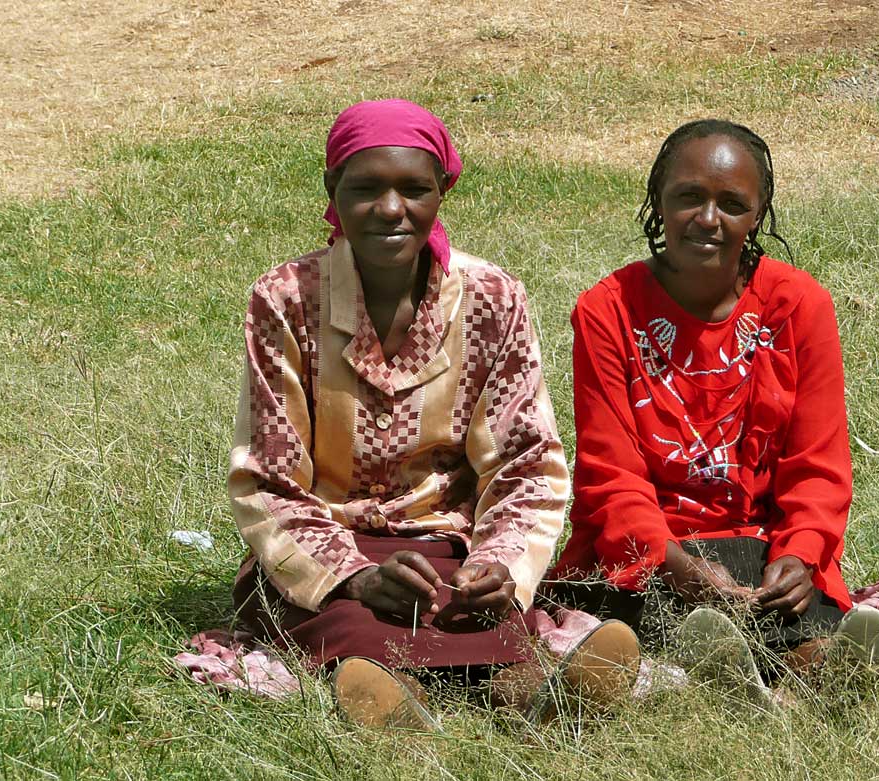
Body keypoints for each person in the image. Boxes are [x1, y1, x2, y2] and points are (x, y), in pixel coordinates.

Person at [227, 99, 639, 730]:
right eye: (366, 188)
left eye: (414, 189)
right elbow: (268, 479)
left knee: (476, 609)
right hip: (328, 545)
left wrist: (499, 564)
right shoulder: (286, 299)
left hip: (447, 546)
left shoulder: (493, 298)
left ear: (442, 190)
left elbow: (527, 462)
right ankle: (391, 693)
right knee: (347, 618)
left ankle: (528, 694)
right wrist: (355, 576)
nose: (391, 209)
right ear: (332, 190)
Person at [550, 119, 879, 707]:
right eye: (689, 197)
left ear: (757, 215)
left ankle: (808, 674)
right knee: (634, 617)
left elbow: (819, 465)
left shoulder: (798, 304)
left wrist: (799, 555)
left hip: (762, 548)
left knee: (794, 618)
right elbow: (611, 476)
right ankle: (740, 673)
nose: (708, 219)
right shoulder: (607, 311)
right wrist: (679, 568)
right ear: (659, 199)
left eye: (732, 204)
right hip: (651, 552)